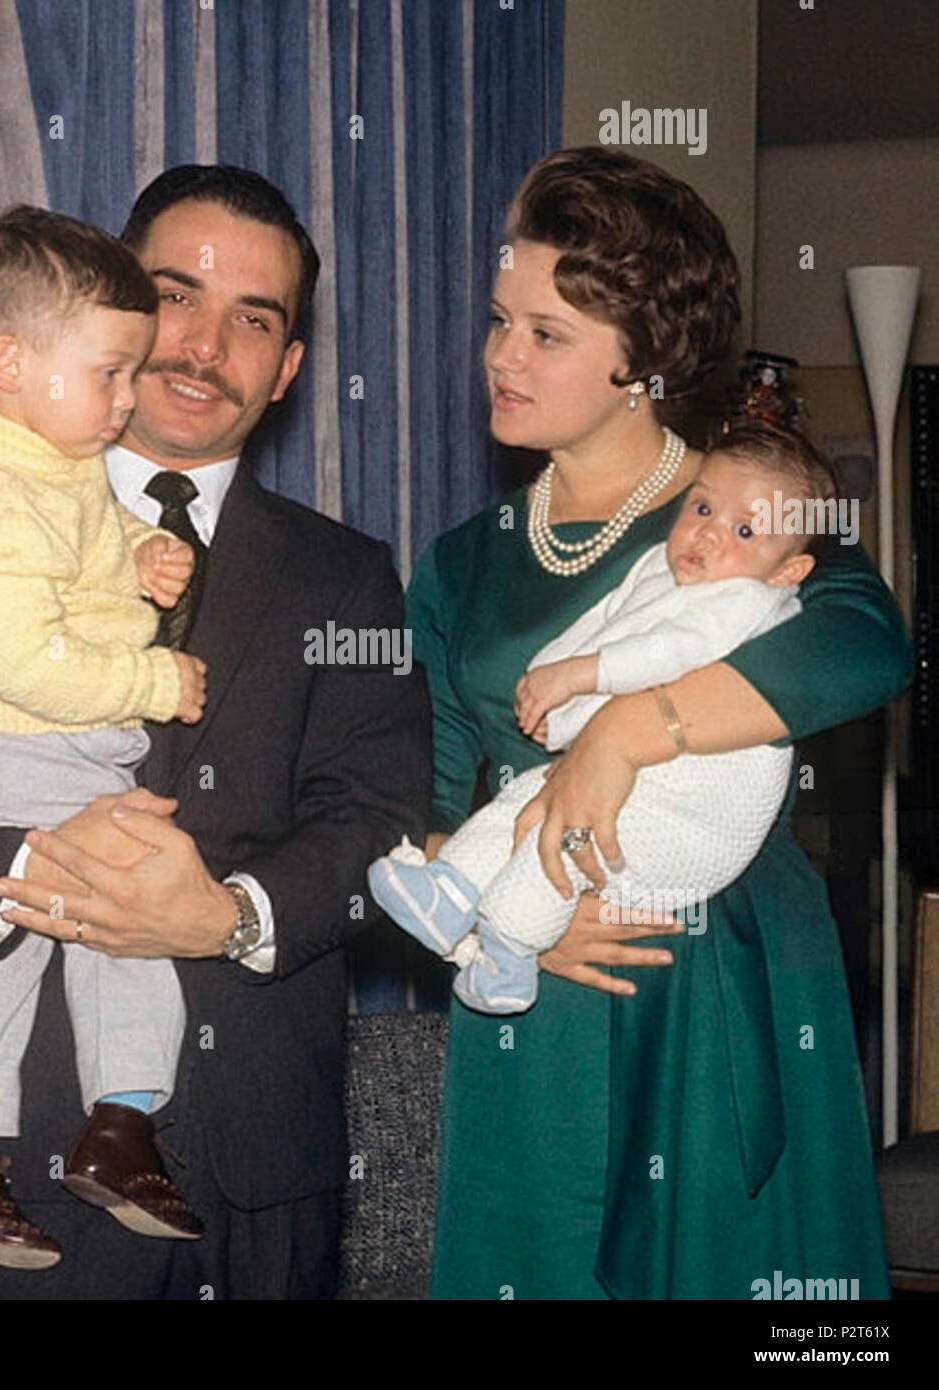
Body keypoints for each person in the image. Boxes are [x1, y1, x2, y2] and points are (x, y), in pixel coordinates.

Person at [0, 165, 432, 1300]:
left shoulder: (349, 573)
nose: (201, 345)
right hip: (16, 1175)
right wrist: (28, 871)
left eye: (253, 318)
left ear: (287, 369)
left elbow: (381, 825)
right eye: (174, 295)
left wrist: (226, 916)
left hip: (261, 1186)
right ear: (111, 315)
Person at [408, 147, 910, 1299]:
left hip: (710, 977)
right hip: (533, 975)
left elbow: (864, 644)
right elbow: (426, 785)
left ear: (641, 361)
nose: (499, 354)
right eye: (499, 320)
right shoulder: (460, 560)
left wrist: (627, 726)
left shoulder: (743, 512)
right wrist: (491, 920)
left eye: (545, 333)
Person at [0, 206, 210, 1268]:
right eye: (112, 375)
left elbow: (79, 532)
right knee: (1, 951)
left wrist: (136, 555)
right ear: (10, 360)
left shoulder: (41, 450)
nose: (130, 403)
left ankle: (107, 1127)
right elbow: (24, 656)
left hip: (53, 753)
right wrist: (151, 675)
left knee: (123, 929)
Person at [371, 424, 832, 1016]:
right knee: (527, 803)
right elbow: (604, 623)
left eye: (745, 530)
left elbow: (670, 651)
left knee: (566, 836)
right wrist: (550, 681)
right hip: (623, 775)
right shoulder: (657, 567)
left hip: (698, 803)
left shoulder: (749, 600)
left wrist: (579, 677)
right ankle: (451, 889)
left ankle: (511, 948)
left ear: (786, 571)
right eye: (702, 507)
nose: (710, 533)